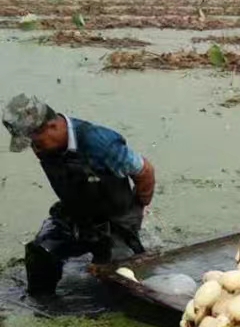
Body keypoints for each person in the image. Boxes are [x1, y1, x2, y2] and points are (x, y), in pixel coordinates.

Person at [2, 94, 156, 296]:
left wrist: (135, 212)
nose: (34, 149)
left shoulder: (99, 142)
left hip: (115, 218)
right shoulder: (45, 145)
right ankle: (44, 309)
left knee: (119, 283)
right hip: (75, 213)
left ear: (52, 127)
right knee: (40, 254)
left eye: (35, 143)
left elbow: (145, 172)